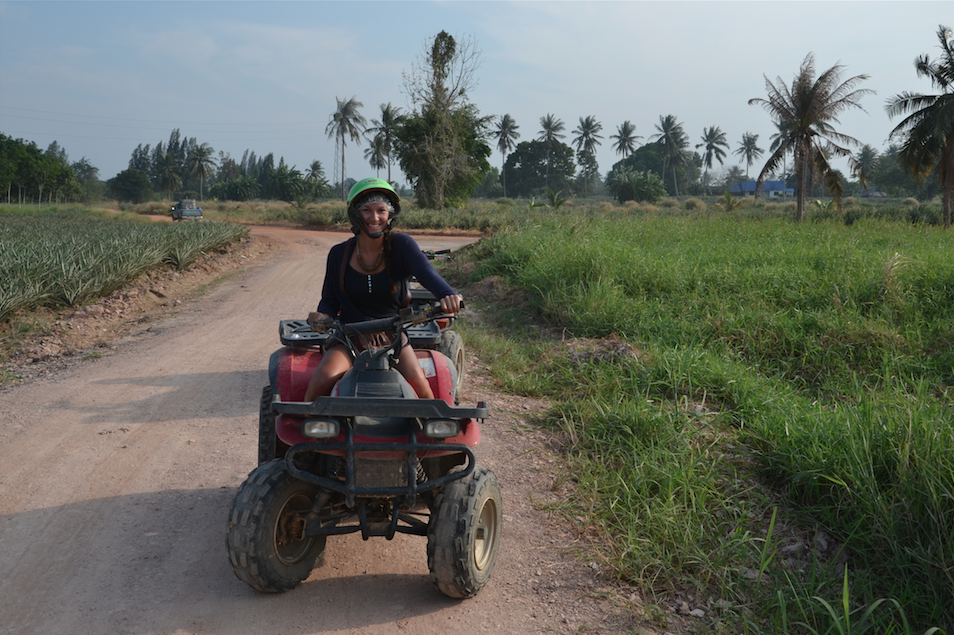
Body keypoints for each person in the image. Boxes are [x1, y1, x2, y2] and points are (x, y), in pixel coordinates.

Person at [303, 178, 462, 401]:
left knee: (419, 383)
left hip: (393, 335)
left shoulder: (403, 246)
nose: (374, 217)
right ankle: (307, 433)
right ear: (355, 214)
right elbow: (329, 299)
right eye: (367, 210)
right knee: (321, 380)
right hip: (349, 335)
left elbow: (427, 274)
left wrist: (447, 294)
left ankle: (436, 433)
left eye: (381, 210)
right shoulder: (338, 254)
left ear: (390, 214)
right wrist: (323, 314)